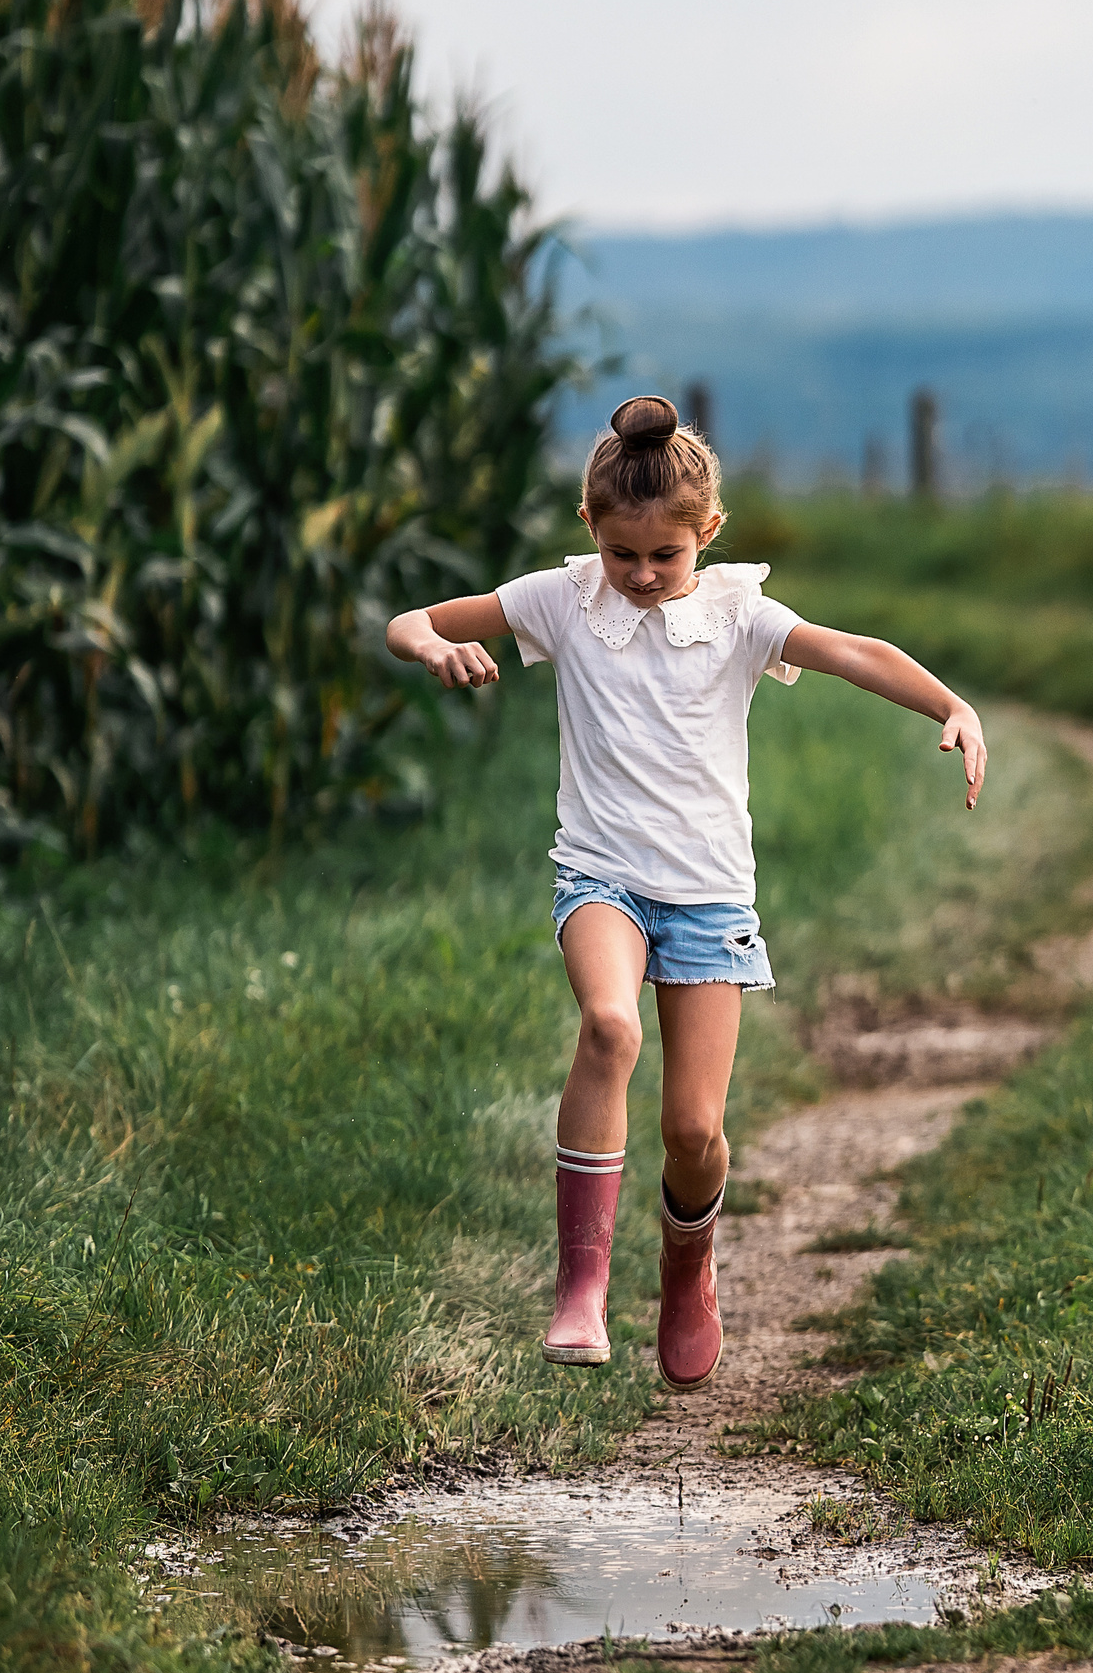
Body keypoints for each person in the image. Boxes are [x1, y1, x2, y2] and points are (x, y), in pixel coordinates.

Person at [384, 394, 989, 1391]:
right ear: (590, 530)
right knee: (610, 1029)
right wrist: (435, 647)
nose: (642, 576)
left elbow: (853, 654)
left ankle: (686, 1266)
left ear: (707, 534)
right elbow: (411, 620)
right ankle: (580, 1286)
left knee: (694, 1134)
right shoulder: (561, 600)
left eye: (664, 556)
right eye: (623, 555)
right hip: (601, 877)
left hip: (709, 898)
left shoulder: (737, 615)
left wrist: (951, 704)